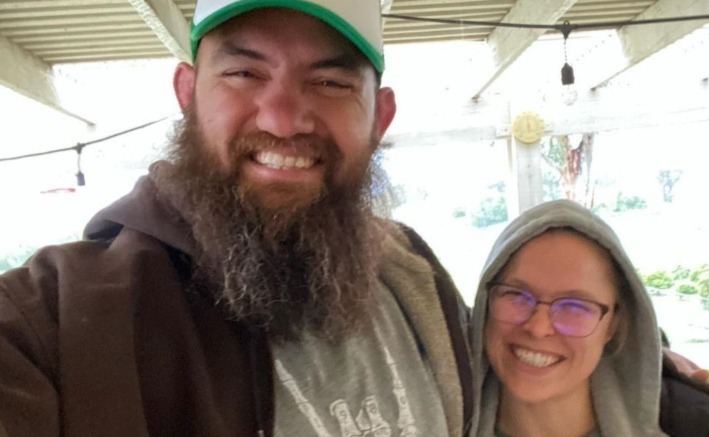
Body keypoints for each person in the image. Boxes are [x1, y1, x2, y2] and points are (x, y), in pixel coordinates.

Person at [0, 1, 473, 435]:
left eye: (331, 82)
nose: (283, 121)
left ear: (380, 116)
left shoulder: (415, 273)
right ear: (188, 93)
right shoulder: (52, 316)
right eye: (244, 73)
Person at [469, 200, 709, 437]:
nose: (538, 327)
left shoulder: (704, 428)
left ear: (613, 325)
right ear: (485, 303)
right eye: (515, 295)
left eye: (575, 307)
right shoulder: (433, 418)